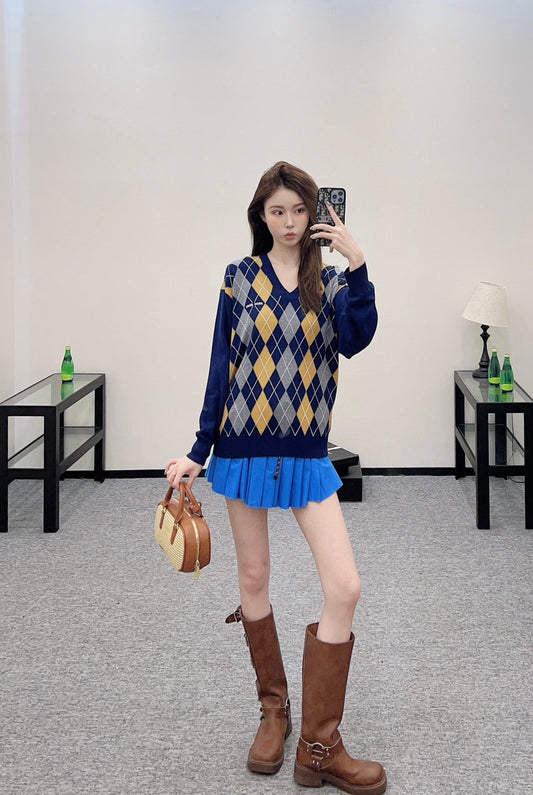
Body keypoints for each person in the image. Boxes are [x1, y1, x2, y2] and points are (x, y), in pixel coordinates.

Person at [166, 161, 387, 794]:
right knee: (254, 578)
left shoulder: (332, 283)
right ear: (261, 216)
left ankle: (319, 746)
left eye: (299, 210)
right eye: (277, 211)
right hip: (242, 449)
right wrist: (198, 449)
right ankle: (274, 711)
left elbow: (356, 339)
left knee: (344, 587)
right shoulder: (239, 278)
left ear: (315, 213)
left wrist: (358, 263)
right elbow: (221, 366)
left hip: (308, 453)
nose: (289, 222)